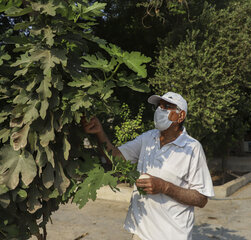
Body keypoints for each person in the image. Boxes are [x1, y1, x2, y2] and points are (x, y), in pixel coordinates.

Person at [83, 92, 214, 240]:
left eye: (167, 106)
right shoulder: (148, 138)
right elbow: (116, 157)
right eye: (159, 106)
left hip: (172, 235)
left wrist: (165, 187)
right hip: (140, 233)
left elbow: (201, 199)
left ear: (181, 116)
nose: (160, 109)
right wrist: (99, 132)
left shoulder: (192, 148)